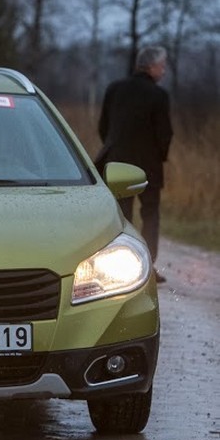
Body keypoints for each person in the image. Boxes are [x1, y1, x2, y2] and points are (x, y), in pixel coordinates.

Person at [96, 45, 173, 283]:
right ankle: (147, 267)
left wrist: (116, 150)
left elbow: (103, 127)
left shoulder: (114, 89)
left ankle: (118, 269)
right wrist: (158, 156)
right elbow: (165, 134)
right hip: (147, 167)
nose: (164, 70)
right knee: (150, 215)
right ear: (152, 67)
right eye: (162, 66)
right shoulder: (158, 95)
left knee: (121, 216)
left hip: (116, 163)